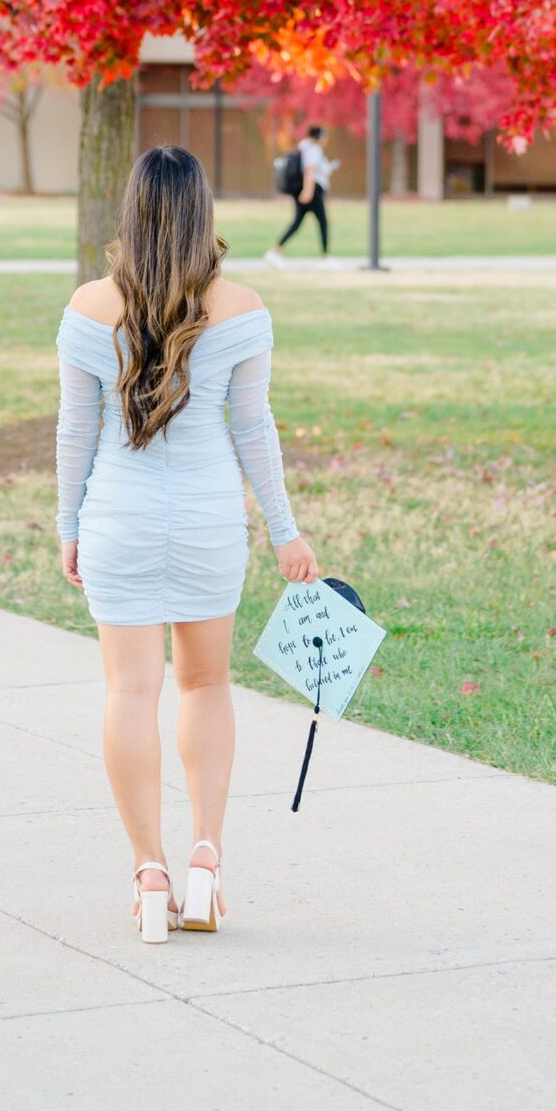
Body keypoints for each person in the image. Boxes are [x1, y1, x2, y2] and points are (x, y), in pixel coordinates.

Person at [55, 146, 319, 942]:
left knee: (129, 692)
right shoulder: (242, 307)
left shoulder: (87, 307)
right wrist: (285, 531)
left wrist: (68, 526)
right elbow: (254, 430)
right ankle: (206, 861)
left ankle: (148, 876)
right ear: (203, 213)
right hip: (208, 523)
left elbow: (77, 429)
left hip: (118, 521)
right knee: (204, 686)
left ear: (130, 212)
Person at [264, 122, 335, 266]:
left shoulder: (304, 147)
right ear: (320, 136)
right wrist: (308, 192)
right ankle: (325, 257)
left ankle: (275, 251)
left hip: (306, 190)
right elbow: (310, 171)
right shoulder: (314, 150)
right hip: (312, 191)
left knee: (297, 223)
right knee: (322, 222)